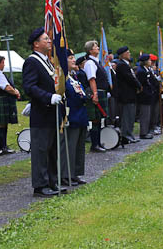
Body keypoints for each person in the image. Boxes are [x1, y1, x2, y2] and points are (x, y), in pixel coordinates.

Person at [22, 27, 63, 197]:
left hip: (52, 113)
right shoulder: (32, 61)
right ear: (36, 44)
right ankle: (40, 185)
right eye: (45, 39)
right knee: (41, 150)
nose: (49, 41)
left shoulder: (47, 61)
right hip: (42, 112)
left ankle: (52, 182)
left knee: (52, 150)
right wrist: (48, 97)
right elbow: (30, 87)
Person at [60, 49, 88, 186]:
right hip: (71, 115)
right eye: (70, 58)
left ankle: (76, 172)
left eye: (73, 58)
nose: (73, 60)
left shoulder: (73, 76)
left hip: (80, 115)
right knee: (70, 146)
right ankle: (66, 174)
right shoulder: (62, 78)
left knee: (79, 146)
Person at [83, 40, 110, 152]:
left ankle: (98, 143)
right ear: (90, 50)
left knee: (99, 120)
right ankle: (94, 145)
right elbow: (92, 79)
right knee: (95, 120)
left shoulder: (96, 62)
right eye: (95, 46)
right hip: (96, 92)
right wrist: (95, 94)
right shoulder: (90, 63)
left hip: (100, 91)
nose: (98, 48)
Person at [0, 55, 18, 156]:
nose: (4, 64)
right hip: (0, 101)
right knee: (1, 124)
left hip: (2, 101)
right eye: (3, 62)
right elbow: (7, 87)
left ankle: (4, 146)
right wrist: (15, 93)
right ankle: (2, 147)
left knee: (4, 124)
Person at [115, 46, 141, 144]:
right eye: (128, 52)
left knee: (131, 116)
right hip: (126, 95)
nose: (129, 54)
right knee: (127, 116)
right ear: (123, 55)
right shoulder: (122, 65)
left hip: (130, 94)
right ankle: (126, 135)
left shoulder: (126, 65)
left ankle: (129, 134)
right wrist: (138, 85)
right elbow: (130, 78)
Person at [136, 54, 154, 139]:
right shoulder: (141, 71)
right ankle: (143, 133)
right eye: (149, 60)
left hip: (148, 95)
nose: (151, 62)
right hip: (144, 96)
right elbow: (142, 84)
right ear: (145, 62)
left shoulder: (146, 70)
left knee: (147, 114)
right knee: (144, 115)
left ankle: (146, 131)